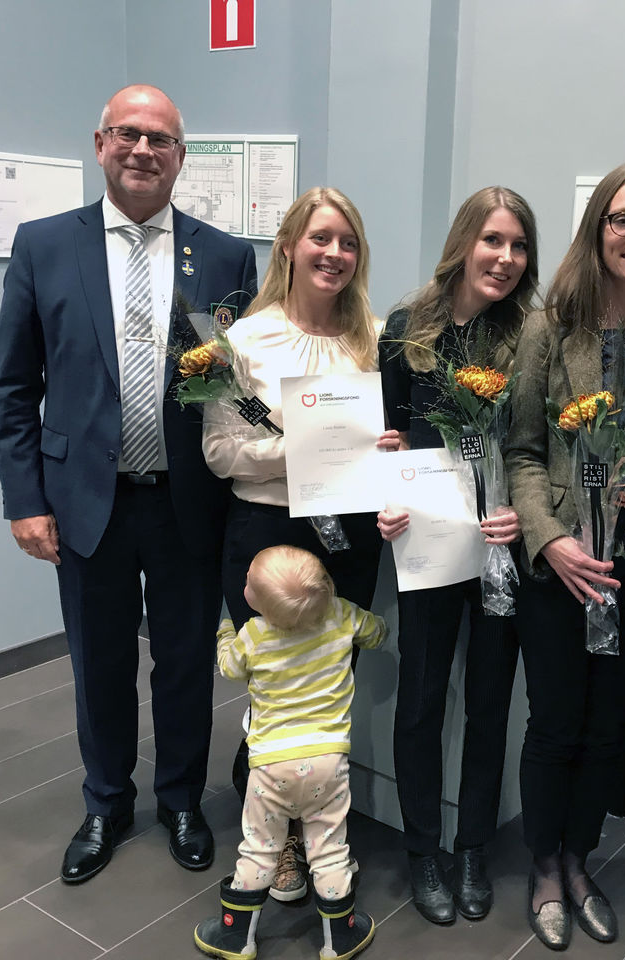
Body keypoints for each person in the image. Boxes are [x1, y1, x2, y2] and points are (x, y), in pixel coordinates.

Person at [0, 84, 257, 884]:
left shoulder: (224, 254)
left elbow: (239, 383)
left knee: (182, 661)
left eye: (162, 140)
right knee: (98, 661)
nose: (145, 151)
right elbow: (13, 386)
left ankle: (180, 799)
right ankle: (106, 802)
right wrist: (25, 499)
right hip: (84, 502)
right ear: (100, 143)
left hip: (186, 503)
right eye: (129, 136)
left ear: (182, 157)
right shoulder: (43, 245)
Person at [505, 162, 625, 950]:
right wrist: (552, 541)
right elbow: (521, 452)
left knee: (612, 730)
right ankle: (544, 868)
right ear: (597, 229)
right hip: (564, 573)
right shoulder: (551, 328)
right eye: (624, 218)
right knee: (555, 725)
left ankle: (581, 860)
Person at [204, 185, 399, 901]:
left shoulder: (374, 339)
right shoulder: (242, 342)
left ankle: (320, 829)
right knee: (274, 686)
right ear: (288, 246)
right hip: (266, 531)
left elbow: (387, 438)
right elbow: (222, 453)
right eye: (321, 238)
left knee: (325, 682)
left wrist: (382, 445)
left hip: (347, 531)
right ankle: (277, 840)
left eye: (348, 243)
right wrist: (306, 450)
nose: (335, 254)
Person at [375, 187, 538, 924]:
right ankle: (422, 849)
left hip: (501, 548)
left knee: (489, 700)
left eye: (519, 245)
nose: (505, 259)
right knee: (420, 699)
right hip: (428, 545)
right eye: (494, 241)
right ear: (465, 242)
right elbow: (386, 435)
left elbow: (538, 446)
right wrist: (385, 479)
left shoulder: (531, 336)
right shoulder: (407, 328)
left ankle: (472, 844)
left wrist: (521, 513)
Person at [194, 545, 385, 960]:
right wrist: (373, 628)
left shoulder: (254, 635)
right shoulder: (341, 614)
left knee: (260, 846)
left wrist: (226, 632)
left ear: (254, 601)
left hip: (269, 766)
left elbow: (229, 667)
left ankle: (235, 936)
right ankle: (341, 937)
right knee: (330, 845)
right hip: (328, 762)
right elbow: (375, 632)